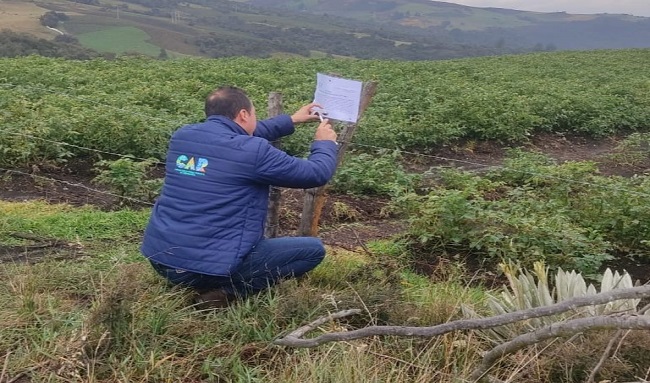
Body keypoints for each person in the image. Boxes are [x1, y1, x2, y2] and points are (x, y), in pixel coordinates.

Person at [141, 86, 338, 308]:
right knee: (311, 251)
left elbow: (237, 137)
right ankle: (225, 292)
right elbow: (316, 173)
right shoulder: (252, 151)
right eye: (254, 113)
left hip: (161, 259)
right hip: (202, 269)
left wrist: (291, 120)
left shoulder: (183, 136)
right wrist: (325, 143)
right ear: (244, 114)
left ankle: (191, 278)